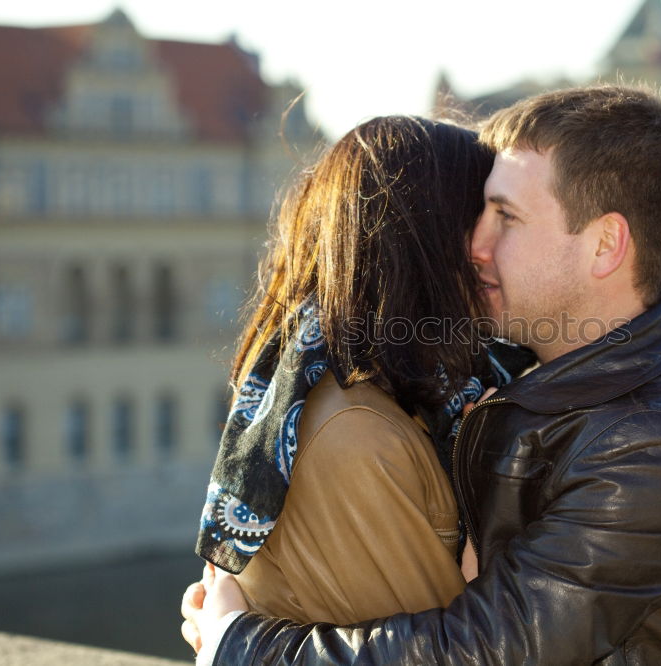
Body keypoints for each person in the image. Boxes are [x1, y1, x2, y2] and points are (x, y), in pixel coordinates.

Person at [183, 84, 661, 665]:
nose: (475, 246)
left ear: (605, 245)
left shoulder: (655, 444)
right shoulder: (516, 390)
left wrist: (240, 644)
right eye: (479, 212)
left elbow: (490, 652)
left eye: (506, 217)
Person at [189, 114, 534, 643]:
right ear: (428, 241)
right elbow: (467, 654)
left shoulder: (421, 394)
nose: (493, 246)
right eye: (487, 217)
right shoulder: (354, 431)